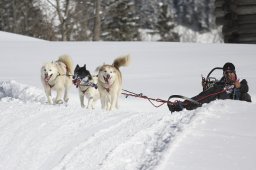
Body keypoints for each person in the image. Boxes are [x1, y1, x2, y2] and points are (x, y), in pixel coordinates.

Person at [168, 62, 252, 112]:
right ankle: (184, 104)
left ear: (234, 72)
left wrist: (240, 86)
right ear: (224, 74)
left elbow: (246, 88)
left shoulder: (241, 82)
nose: (229, 75)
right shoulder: (220, 84)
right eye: (227, 73)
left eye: (231, 72)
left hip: (236, 109)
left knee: (246, 95)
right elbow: (206, 94)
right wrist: (206, 86)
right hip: (220, 107)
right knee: (212, 91)